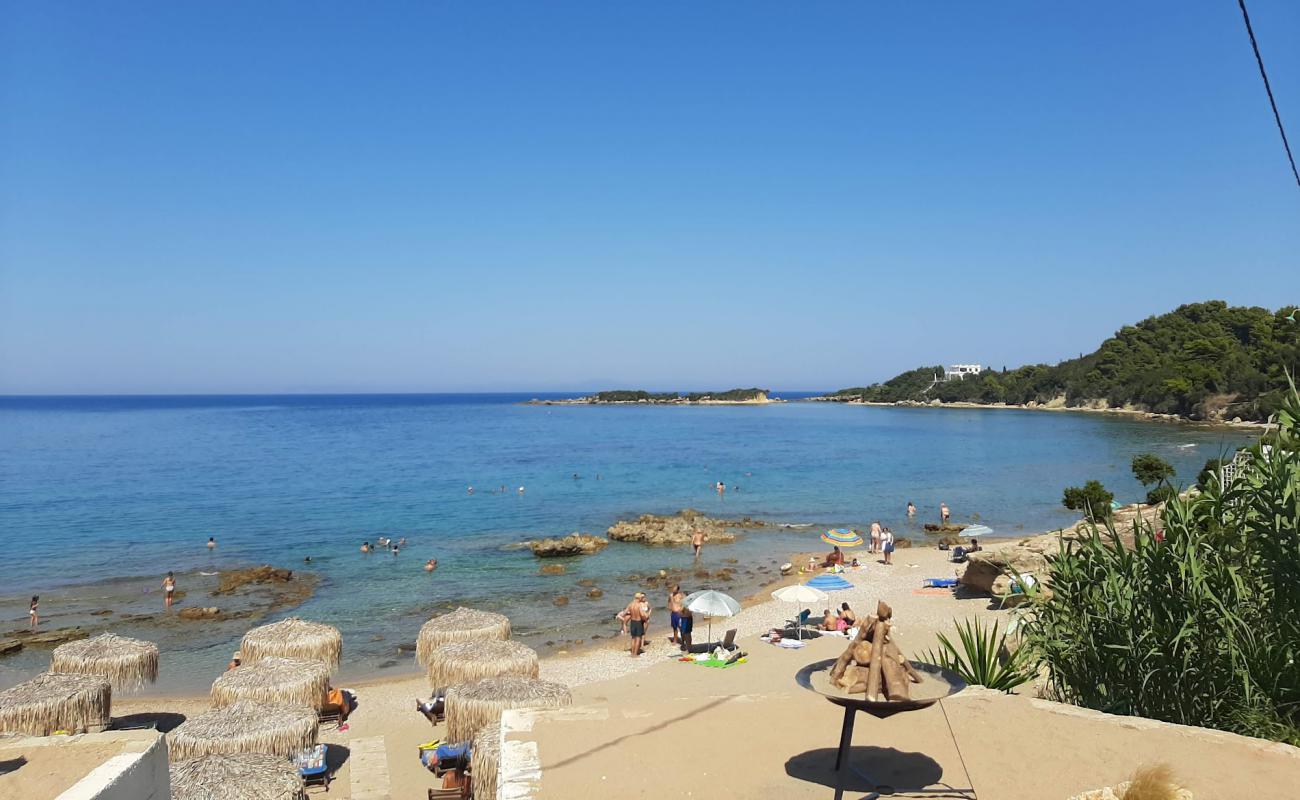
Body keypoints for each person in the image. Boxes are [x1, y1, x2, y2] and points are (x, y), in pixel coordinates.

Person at [626, 592, 649, 657]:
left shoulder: (630, 604)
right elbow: (642, 615)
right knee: (638, 638)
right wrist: (646, 619)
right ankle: (635, 654)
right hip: (638, 622)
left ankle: (632, 653)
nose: (642, 598)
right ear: (639, 598)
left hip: (632, 622)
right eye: (641, 597)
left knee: (633, 638)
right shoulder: (639, 605)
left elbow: (625, 612)